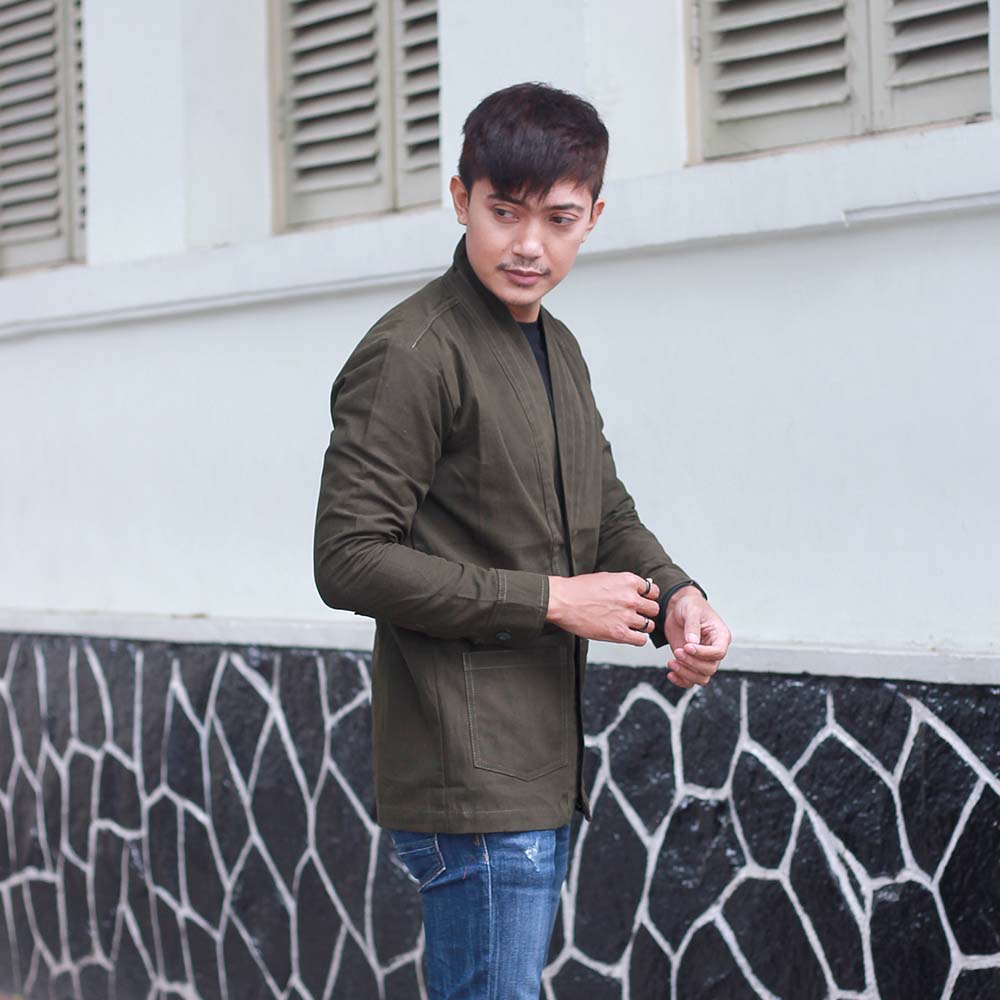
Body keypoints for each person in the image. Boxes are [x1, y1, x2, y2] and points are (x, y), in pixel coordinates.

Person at [313, 81, 732, 1000]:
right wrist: (551, 600)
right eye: (504, 212)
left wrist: (678, 597)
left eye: (559, 218)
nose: (529, 244)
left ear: (594, 218)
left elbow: (603, 511)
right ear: (460, 199)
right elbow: (346, 558)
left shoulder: (558, 348)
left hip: (536, 765)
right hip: (469, 776)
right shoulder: (412, 353)